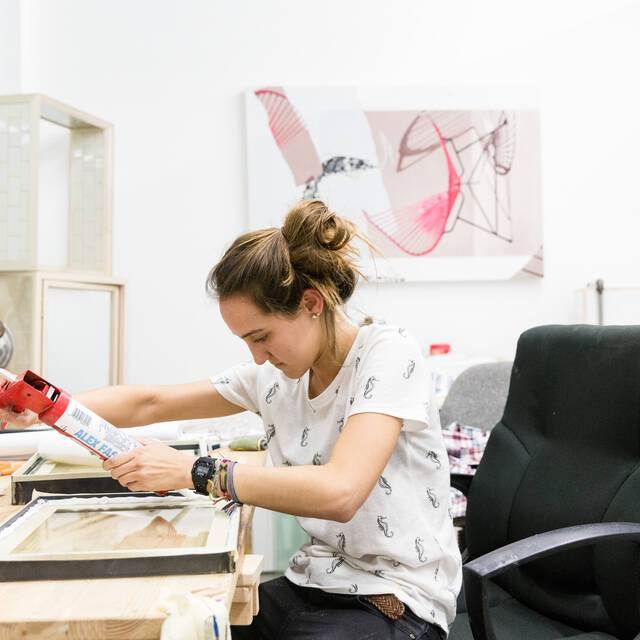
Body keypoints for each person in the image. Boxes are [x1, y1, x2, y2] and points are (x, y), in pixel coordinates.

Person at [1, 199, 461, 639]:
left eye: (261, 336)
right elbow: (151, 403)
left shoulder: (387, 354)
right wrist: (38, 409)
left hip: (395, 600)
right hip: (314, 581)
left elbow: (340, 490)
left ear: (312, 303)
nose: (257, 356)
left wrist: (193, 472)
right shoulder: (276, 375)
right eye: (245, 341)